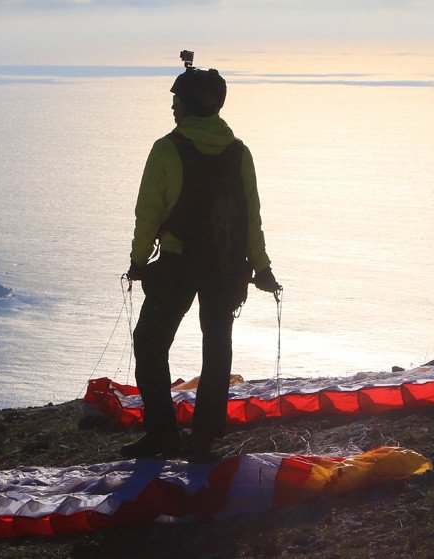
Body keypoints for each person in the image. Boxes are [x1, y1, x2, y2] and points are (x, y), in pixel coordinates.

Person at [122, 55, 280, 461]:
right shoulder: (239, 154)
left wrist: (138, 261)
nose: (173, 107)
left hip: (178, 263)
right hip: (226, 267)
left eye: (177, 101)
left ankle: (163, 435)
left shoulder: (166, 150)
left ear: (191, 106)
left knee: (151, 342)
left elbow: (148, 213)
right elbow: (251, 217)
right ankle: (205, 437)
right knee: (217, 345)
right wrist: (261, 268)